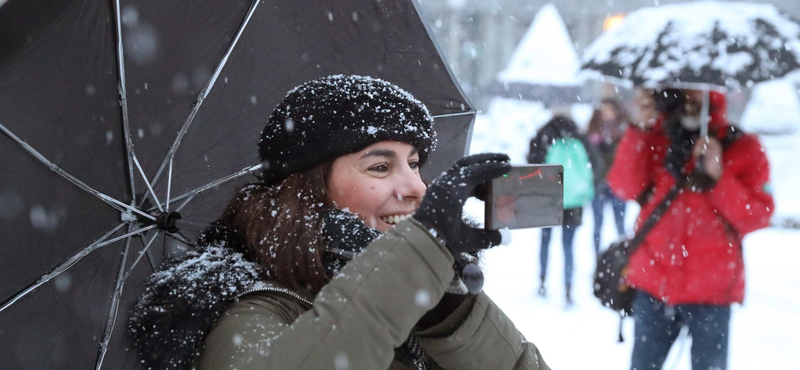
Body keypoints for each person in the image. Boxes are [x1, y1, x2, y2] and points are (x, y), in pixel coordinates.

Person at [128, 75, 550, 370]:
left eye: (416, 164)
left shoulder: (417, 297)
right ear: (308, 191)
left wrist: (448, 309)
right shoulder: (253, 308)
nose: (418, 188)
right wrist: (409, 268)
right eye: (380, 168)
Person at [609, 87, 774, 370]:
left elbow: (757, 216)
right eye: (683, 95)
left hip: (711, 291)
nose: (688, 103)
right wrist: (639, 127)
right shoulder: (655, 137)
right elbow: (623, 187)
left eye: (696, 96)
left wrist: (718, 176)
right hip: (653, 282)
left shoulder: (743, 146)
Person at [527, 115, 599, 305]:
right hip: (574, 203)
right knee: (568, 247)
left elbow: (531, 166)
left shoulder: (544, 138)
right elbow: (596, 167)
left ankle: (542, 281)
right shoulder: (580, 140)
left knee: (545, 243)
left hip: (549, 199)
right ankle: (568, 288)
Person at [586, 98, 628, 254]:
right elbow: (589, 158)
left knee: (621, 225)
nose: (607, 114)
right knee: (597, 226)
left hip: (618, 184)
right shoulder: (593, 132)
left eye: (610, 110)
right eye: (604, 110)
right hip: (598, 184)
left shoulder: (623, 131)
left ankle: (623, 261)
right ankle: (598, 261)